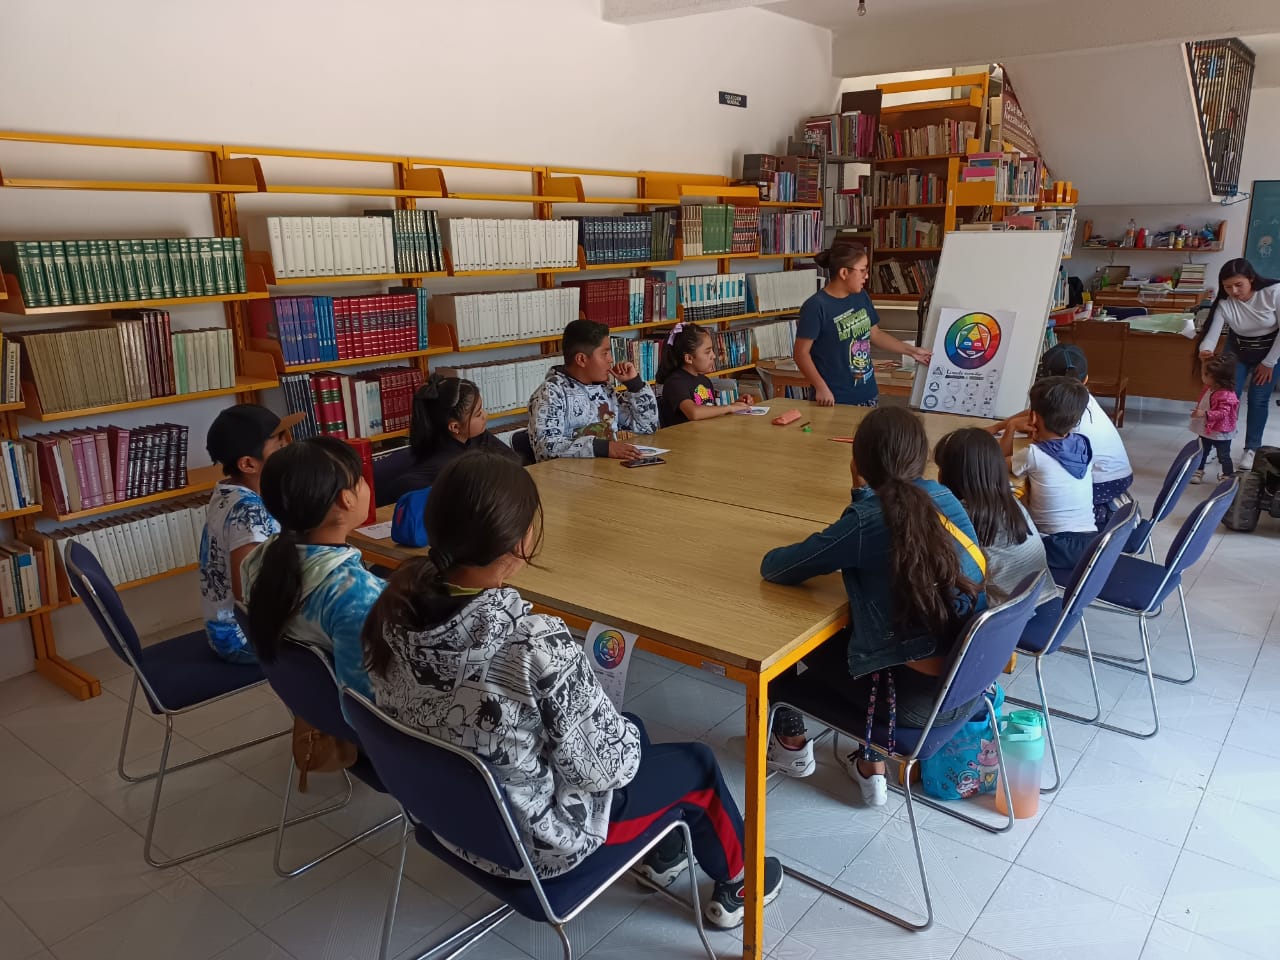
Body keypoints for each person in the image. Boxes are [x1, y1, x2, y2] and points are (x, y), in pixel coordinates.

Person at [360, 451, 782, 928]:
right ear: (522, 543)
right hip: (537, 853)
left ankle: (661, 849)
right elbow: (611, 768)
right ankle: (740, 877)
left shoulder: (391, 609)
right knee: (695, 764)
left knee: (633, 730)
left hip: (447, 821)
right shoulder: (533, 642)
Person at [760, 407, 986, 805]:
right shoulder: (944, 497)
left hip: (912, 704)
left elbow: (780, 568)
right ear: (921, 456)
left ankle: (791, 745)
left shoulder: (870, 518)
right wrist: (863, 497)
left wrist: (860, 496)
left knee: (780, 636)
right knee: (871, 632)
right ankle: (869, 765)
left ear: (860, 461)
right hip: (967, 686)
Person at [242, 437, 385, 703]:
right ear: (346, 499)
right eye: (361, 479)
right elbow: (369, 706)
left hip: (312, 704)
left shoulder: (259, 559)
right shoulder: (357, 596)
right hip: (362, 728)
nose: (366, 486)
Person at [199, 404, 304, 664]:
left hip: (228, 630)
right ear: (247, 464)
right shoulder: (249, 513)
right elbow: (247, 591)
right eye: (279, 447)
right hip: (241, 638)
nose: (289, 450)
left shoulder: (228, 491)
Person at [793, 242, 931, 408]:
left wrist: (912, 351)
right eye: (862, 270)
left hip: (868, 392)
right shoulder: (816, 306)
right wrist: (820, 387)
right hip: (834, 397)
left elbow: (876, 334)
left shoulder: (861, 296)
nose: (866, 276)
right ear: (844, 272)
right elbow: (801, 353)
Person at [933, 428, 1055, 607]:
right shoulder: (1011, 500)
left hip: (1006, 618)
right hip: (1042, 599)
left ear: (951, 475)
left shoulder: (964, 520)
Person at [992, 377, 1097, 572]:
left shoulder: (1034, 455)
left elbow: (996, 462)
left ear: (1032, 418)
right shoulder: (1084, 445)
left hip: (1058, 546)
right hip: (1091, 544)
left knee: (997, 540)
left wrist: (1012, 426)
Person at [528, 319, 660, 461]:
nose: (611, 360)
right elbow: (545, 449)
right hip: (570, 478)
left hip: (608, 472)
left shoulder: (605, 389)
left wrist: (635, 385)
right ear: (581, 359)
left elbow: (647, 427)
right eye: (605, 354)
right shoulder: (550, 394)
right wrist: (604, 448)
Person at [381, 374, 521, 503]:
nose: (486, 415)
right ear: (455, 427)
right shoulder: (442, 466)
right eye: (478, 414)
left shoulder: (474, 436)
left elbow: (513, 462)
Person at [1037, 344, 1134, 527]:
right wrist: (1005, 425)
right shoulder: (1078, 398)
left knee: (1038, 492)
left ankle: (1102, 512)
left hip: (1105, 482)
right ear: (1086, 378)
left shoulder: (1068, 415)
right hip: (1118, 475)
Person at [1197, 257, 1280, 471]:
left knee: (1259, 398)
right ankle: (1217, 443)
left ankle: (1251, 449)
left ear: (1251, 279)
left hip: (1270, 351)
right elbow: (1213, 333)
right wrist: (1205, 350)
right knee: (1225, 396)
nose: (1233, 291)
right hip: (1237, 351)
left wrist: (1269, 362)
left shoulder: (1273, 292)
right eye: (1227, 286)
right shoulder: (1225, 302)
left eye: (1238, 285)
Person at [656, 323, 756, 426]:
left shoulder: (704, 381)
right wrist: (729, 408)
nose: (713, 356)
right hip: (682, 439)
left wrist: (736, 405)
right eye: (707, 352)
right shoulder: (675, 383)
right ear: (689, 358)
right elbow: (694, 413)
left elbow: (709, 410)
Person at [1191, 353, 1241, 483]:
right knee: (1202, 451)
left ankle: (1228, 475)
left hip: (1220, 431)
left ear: (1218, 379)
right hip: (1208, 428)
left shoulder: (1226, 395)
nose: (1203, 376)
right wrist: (1203, 362)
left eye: (1207, 375)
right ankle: (1198, 470)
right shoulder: (1210, 387)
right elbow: (1205, 374)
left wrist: (1204, 414)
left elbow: (1223, 413)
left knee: (1223, 455)